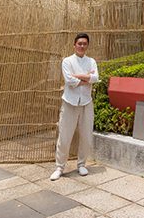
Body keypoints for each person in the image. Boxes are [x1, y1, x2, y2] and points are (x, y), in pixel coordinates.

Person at [51, 33, 98, 180]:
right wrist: (86, 77)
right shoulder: (67, 61)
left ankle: (82, 164)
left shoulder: (91, 61)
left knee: (86, 135)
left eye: (84, 43)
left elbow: (95, 78)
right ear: (74, 45)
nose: (82, 46)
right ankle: (60, 167)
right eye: (79, 43)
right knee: (64, 136)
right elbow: (69, 81)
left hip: (86, 102)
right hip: (70, 102)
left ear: (87, 45)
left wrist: (78, 76)